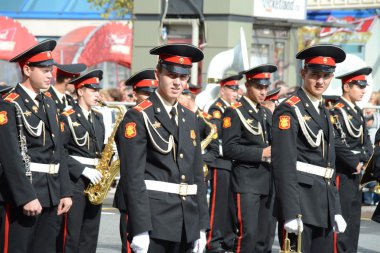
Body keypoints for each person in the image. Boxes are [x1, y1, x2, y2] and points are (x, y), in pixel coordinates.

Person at [115, 44, 209, 253]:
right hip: (154, 222)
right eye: (171, 75)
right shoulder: (139, 116)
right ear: (158, 74)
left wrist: (202, 226)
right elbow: (133, 177)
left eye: (183, 77)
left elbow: (197, 175)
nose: (178, 82)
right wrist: (140, 229)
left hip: (187, 221)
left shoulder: (190, 117)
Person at [271, 44, 362, 253]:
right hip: (300, 204)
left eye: (326, 76)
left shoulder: (323, 109)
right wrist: (290, 212)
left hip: (324, 205)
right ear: (303, 73)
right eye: (315, 75)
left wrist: (336, 209)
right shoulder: (289, 108)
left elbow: (328, 166)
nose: (320, 81)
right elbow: (283, 164)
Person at [0, 39, 72, 253]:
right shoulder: (9, 103)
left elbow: (59, 151)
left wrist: (65, 191)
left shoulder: (48, 102)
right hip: (24, 194)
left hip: (50, 193)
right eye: (45, 70)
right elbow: (9, 156)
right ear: (27, 69)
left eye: (51, 70)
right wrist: (26, 196)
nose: (50, 75)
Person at [222, 65, 276, 253]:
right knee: (248, 235)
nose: (263, 92)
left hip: (267, 180)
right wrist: (261, 154)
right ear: (247, 85)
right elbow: (229, 148)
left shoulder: (264, 112)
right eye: (258, 87)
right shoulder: (235, 111)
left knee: (264, 236)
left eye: (265, 88)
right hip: (247, 181)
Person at [58, 69, 105, 253]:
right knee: (72, 234)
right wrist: (82, 169)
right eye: (92, 90)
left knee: (90, 234)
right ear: (80, 91)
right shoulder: (67, 116)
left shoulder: (98, 118)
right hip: (75, 179)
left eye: (98, 90)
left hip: (96, 181)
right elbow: (60, 152)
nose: (97, 94)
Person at [113, 68, 158, 253]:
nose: (150, 97)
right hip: (133, 194)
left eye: (153, 93)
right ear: (135, 94)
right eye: (145, 93)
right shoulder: (131, 119)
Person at [331, 67, 374, 253]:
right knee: (342, 220)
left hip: (357, 172)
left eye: (364, 86)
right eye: (360, 86)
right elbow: (337, 143)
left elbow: (367, 142)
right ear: (347, 87)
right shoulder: (337, 112)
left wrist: (366, 160)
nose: (364, 90)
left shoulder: (357, 111)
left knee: (354, 220)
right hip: (343, 171)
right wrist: (355, 161)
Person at [206, 74, 242, 252]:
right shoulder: (217, 109)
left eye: (237, 89)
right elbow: (216, 136)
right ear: (223, 89)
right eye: (232, 89)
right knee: (217, 204)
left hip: (232, 162)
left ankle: (228, 239)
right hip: (220, 161)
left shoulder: (232, 108)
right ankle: (212, 241)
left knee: (231, 205)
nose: (236, 92)